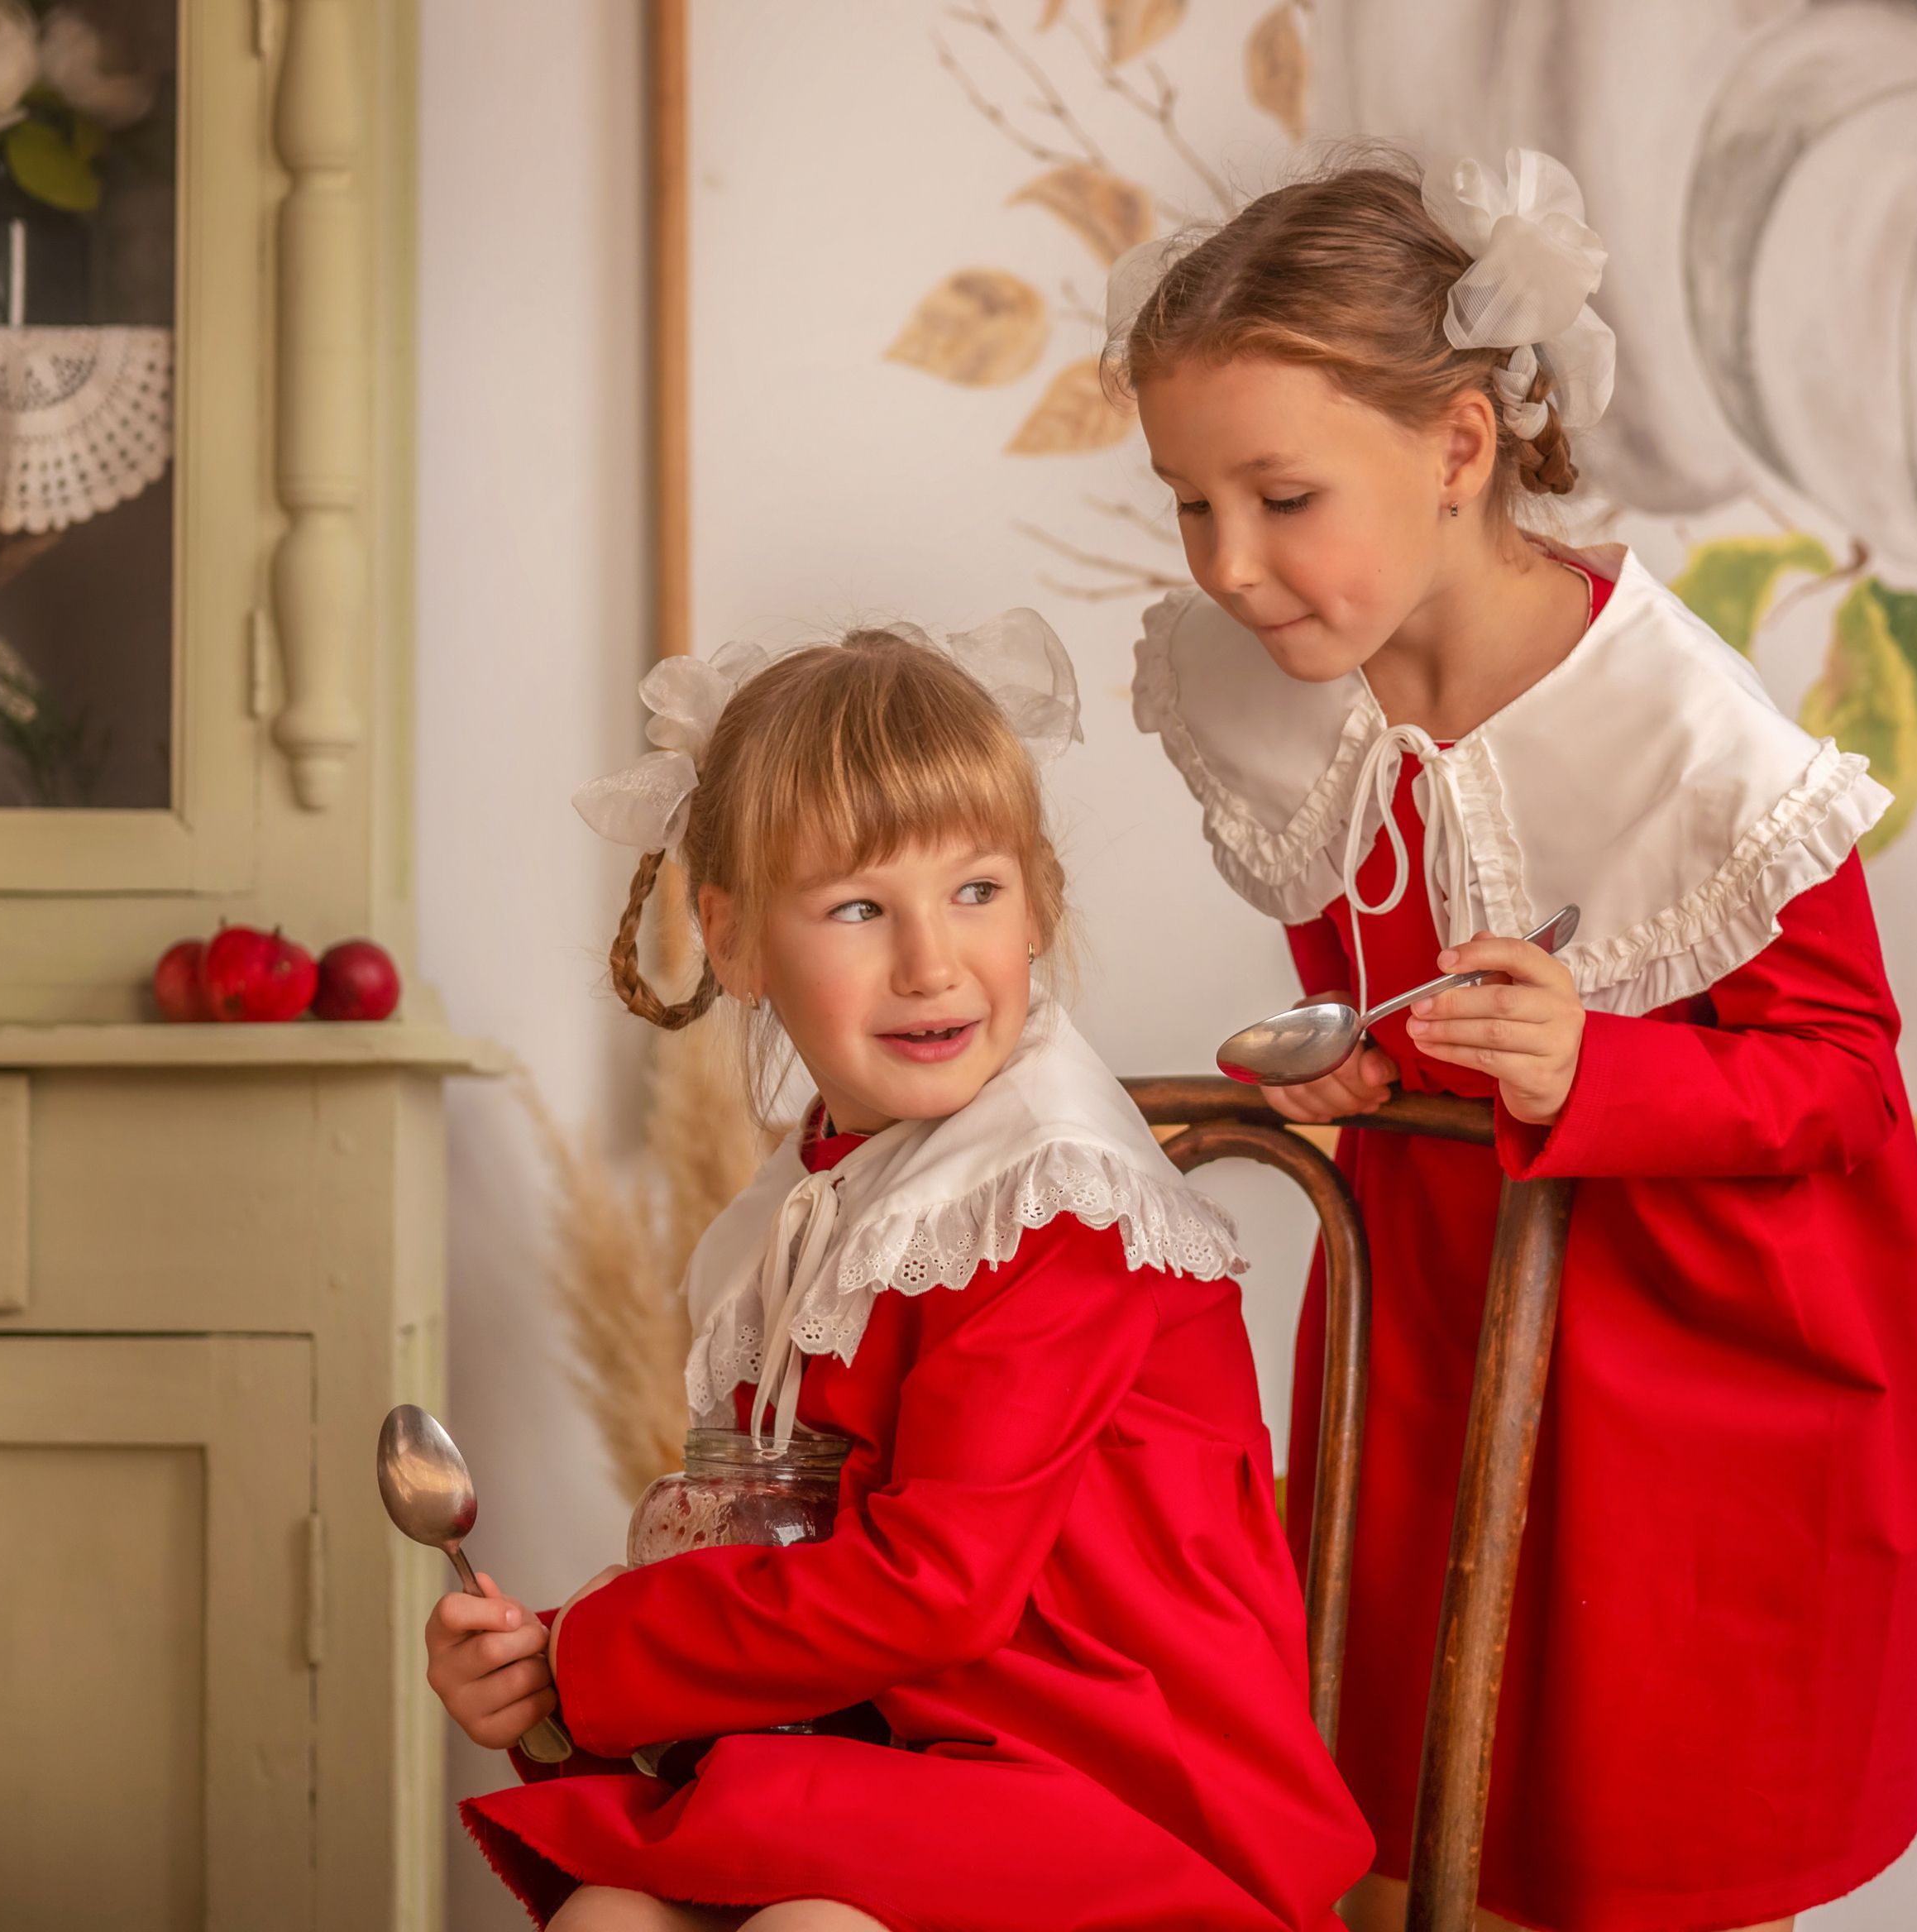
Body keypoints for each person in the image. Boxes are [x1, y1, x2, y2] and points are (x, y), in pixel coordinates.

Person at [1112, 150, 1917, 1932]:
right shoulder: (1286, 679)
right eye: (1190, 505)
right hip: (1438, 1310)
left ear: (1459, 446)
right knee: (1406, 1798)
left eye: (1281, 498)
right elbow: (1365, 954)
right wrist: (1351, 1066)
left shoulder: (1686, 737)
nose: (1232, 565)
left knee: (1627, 1812)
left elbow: (1844, 1080)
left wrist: (1599, 1069)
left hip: (1694, 1352)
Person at [432, 616, 1372, 1932]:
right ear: (734, 940)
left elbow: (931, 1587)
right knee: (609, 1918)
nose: (931, 962)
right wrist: (544, 1678)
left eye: (976, 890)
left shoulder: (1053, 1204)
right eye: (860, 909)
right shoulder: (822, 1208)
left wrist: (597, 1657)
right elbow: (787, 1551)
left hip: (1127, 1791)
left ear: (1038, 903)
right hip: (912, 1757)